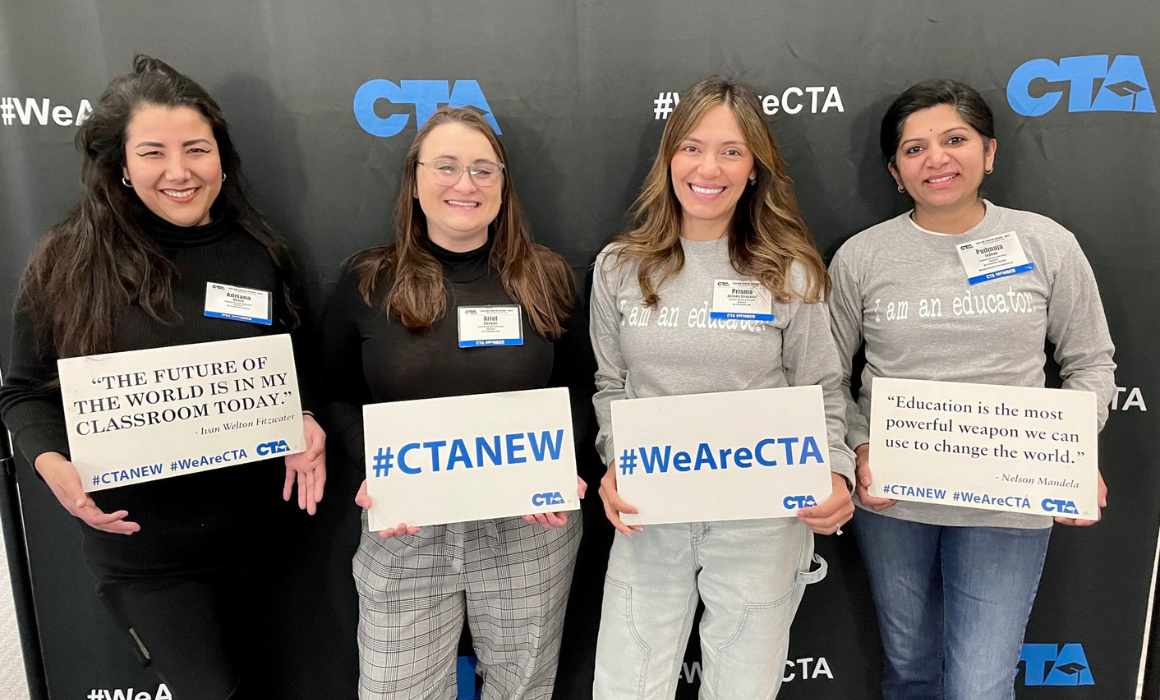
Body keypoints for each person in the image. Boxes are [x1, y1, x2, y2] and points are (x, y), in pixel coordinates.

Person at [0, 55, 326, 699]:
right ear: (120, 164)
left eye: (196, 150)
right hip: (146, 554)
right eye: (153, 152)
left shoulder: (259, 250)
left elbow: (295, 363)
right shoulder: (69, 261)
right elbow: (21, 392)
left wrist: (308, 417)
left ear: (222, 158)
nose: (179, 172)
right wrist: (49, 464)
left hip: (267, 539)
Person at [828, 79, 1116, 700]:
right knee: (909, 670)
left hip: (1011, 497)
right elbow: (827, 377)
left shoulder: (1047, 244)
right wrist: (857, 447)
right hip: (894, 499)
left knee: (980, 684)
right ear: (895, 171)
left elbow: (1091, 364)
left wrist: (1066, 452)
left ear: (988, 153)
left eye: (955, 139)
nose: (937, 158)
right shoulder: (861, 257)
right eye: (914, 148)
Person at [589, 75, 856, 700]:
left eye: (732, 151)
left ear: (756, 168)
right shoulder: (619, 266)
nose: (710, 167)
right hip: (649, 513)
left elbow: (821, 388)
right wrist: (613, 459)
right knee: (625, 687)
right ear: (669, 158)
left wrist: (836, 471)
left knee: (742, 689)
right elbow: (609, 386)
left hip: (762, 518)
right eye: (692, 147)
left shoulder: (791, 270)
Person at [319, 105, 592, 700]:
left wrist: (557, 471)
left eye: (482, 169)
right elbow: (335, 392)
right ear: (414, 181)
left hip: (528, 527)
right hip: (407, 528)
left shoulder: (547, 277)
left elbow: (577, 388)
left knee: (522, 690)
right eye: (445, 167)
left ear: (503, 185)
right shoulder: (368, 280)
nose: (464, 184)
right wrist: (375, 463)